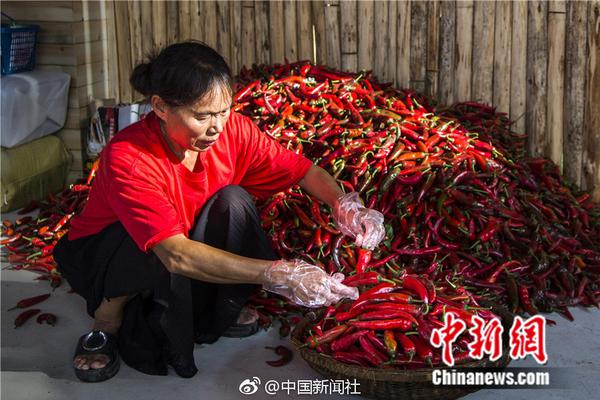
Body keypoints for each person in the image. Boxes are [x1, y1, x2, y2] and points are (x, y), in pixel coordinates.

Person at [53, 41, 385, 383]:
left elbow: (303, 171)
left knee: (233, 202)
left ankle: (210, 312)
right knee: (142, 235)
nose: (216, 127)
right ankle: (107, 320)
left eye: (223, 111)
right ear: (160, 107)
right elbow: (176, 254)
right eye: (202, 116)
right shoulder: (130, 157)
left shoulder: (233, 131)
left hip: (181, 243)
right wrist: (279, 274)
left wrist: (345, 205)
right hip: (113, 256)